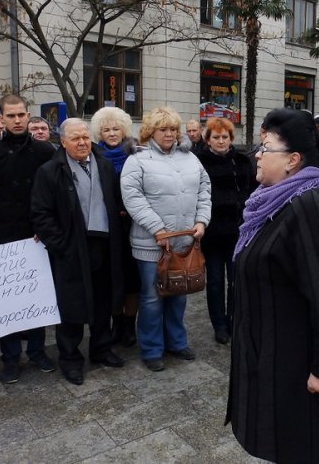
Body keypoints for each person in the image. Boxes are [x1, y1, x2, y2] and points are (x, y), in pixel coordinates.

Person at [226, 108, 319, 463]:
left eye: (266, 148)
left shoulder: (308, 206)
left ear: (293, 160)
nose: (258, 156)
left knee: (307, 444)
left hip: (300, 363)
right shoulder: (272, 203)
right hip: (275, 353)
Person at [31, 118, 126, 385]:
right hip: (72, 248)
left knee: (103, 300)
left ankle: (101, 348)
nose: (83, 142)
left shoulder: (105, 165)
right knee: (71, 305)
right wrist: (61, 244)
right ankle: (70, 359)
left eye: (85, 137)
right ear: (62, 142)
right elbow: (41, 213)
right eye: (75, 138)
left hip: (104, 244)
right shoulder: (50, 171)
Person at [0, 94, 57, 384]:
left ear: (27, 114)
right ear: (1, 119)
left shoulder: (45, 150)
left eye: (21, 114)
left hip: (36, 235)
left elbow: (54, 196)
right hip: (2, 236)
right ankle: (9, 357)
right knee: (6, 301)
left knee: (37, 296)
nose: (17, 120)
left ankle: (37, 350)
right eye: (11, 116)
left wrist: (47, 227)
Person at [120, 107, 211, 372]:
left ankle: (176, 342)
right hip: (152, 244)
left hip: (183, 241)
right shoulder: (138, 160)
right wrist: (157, 228)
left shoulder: (190, 158)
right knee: (152, 297)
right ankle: (151, 349)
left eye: (173, 128)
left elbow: (204, 189)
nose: (169, 134)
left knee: (179, 293)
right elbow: (133, 197)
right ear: (150, 131)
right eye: (163, 129)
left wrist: (201, 221)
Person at [195, 117, 255, 344]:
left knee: (236, 280)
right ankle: (219, 325)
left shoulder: (241, 160)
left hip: (238, 232)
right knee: (216, 281)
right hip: (212, 233)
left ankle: (234, 321)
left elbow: (252, 191)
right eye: (216, 137)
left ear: (231, 138)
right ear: (207, 139)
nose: (221, 141)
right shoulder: (198, 161)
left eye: (225, 137)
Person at [91, 106, 140, 347]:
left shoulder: (136, 155)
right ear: (99, 133)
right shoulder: (93, 157)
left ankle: (129, 326)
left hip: (133, 226)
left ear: (124, 130)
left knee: (132, 280)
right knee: (112, 278)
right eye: (106, 129)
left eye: (116, 128)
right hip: (107, 229)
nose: (112, 133)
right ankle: (116, 323)